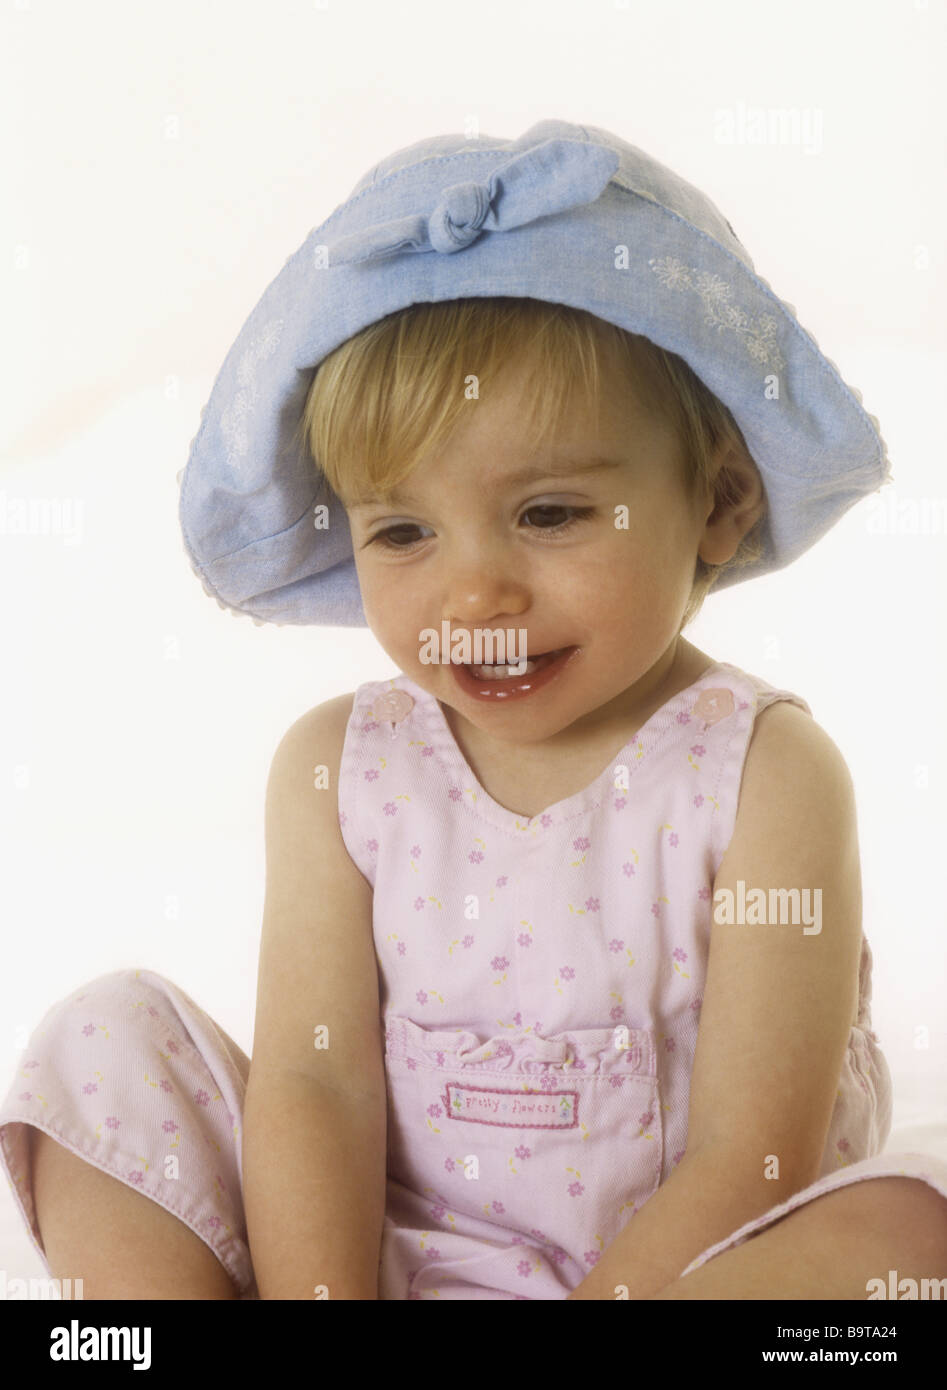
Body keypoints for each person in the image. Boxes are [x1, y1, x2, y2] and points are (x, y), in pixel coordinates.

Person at [2, 120, 946, 1301]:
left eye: (548, 514)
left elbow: (751, 1158)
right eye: (402, 532)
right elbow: (316, 1085)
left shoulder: (765, 772)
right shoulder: (337, 770)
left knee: (909, 1243)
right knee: (105, 1045)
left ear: (715, 501)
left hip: (674, 1277)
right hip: (382, 1258)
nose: (475, 593)